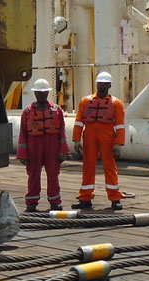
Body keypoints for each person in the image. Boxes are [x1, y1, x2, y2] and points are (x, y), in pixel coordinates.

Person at [71, 71, 125, 211]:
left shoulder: (116, 103)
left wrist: (118, 144)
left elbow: (119, 125)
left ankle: (115, 198)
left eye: (104, 83)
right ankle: (85, 198)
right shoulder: (85, 101)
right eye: (100, 83)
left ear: (109, 85)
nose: (101, 86)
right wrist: (76, 140)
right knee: (88, 166)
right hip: (89, 136)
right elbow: (79, 121)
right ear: (96, 84)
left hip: (107, 136)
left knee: (110, 166)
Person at [17, 78, 69, 212]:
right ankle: (32, 202)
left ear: (47, 93)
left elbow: (62, 132)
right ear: (35, 93)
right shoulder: (27, 112)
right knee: (33, 174)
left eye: (43, 92)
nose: (41, 94)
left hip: (52, 146)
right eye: (38, 92)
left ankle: (55, 201)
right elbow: (23, 133)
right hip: (34, 145)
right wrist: (23, 153)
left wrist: (63, 150)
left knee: (53, 174)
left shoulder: (57, 110)